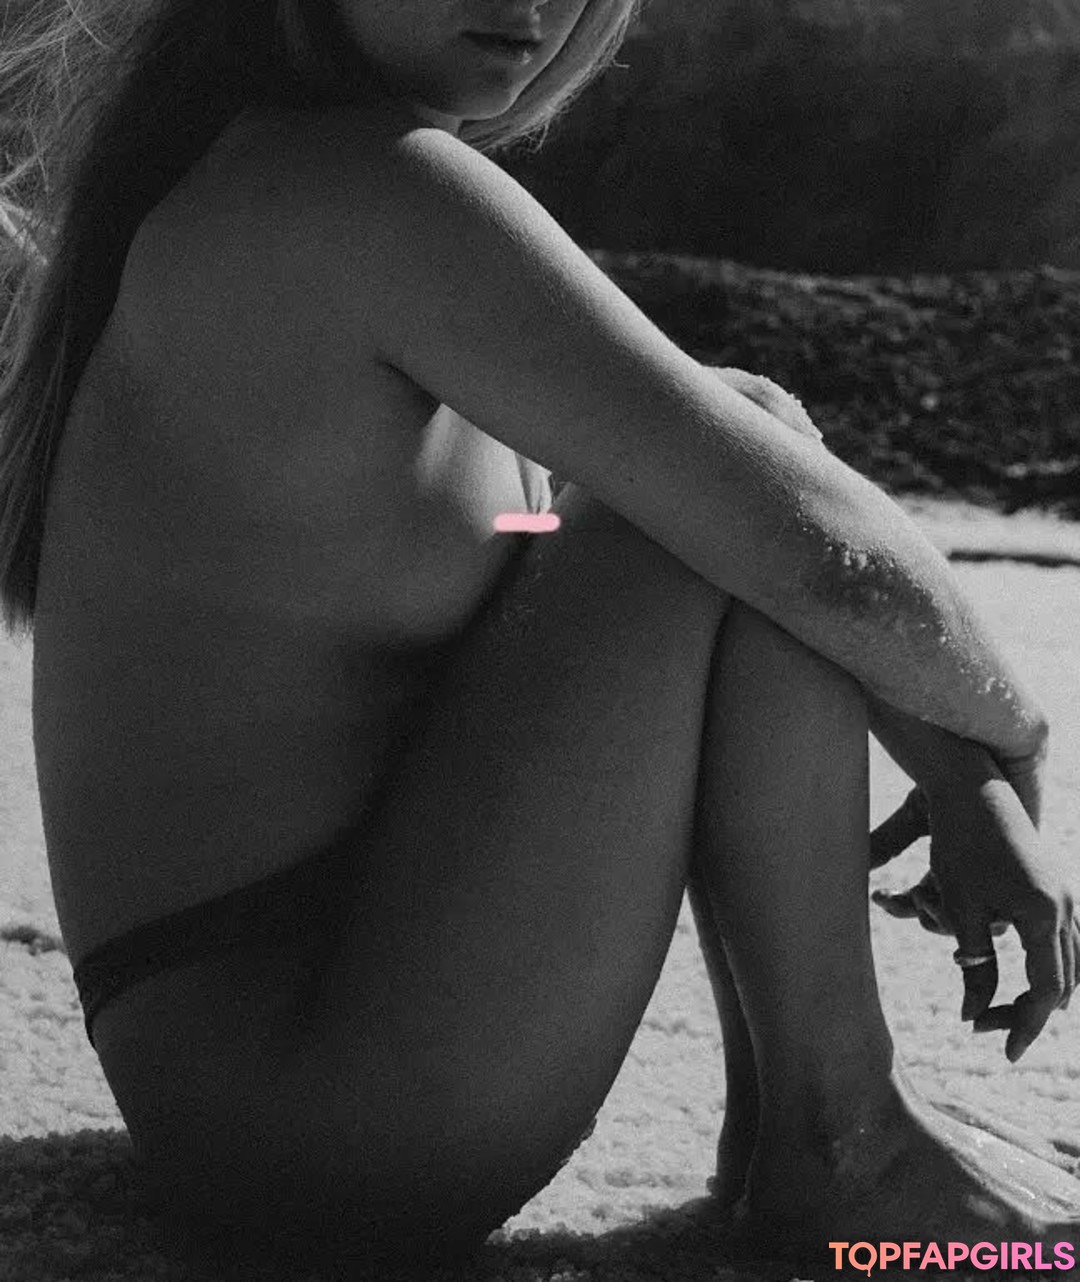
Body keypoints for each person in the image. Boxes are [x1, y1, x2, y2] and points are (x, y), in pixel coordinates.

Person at [1, 0, 1078, 1271]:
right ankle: (837, 1133)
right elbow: (798, 535)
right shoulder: (355, 186)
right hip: (317, 1102)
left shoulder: (271, 168)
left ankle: (810, 1126)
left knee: (709, 478)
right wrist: (1001, 739)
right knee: (721, 475)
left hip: (278, 1062)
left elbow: (639, 534)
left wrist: (947, 754)